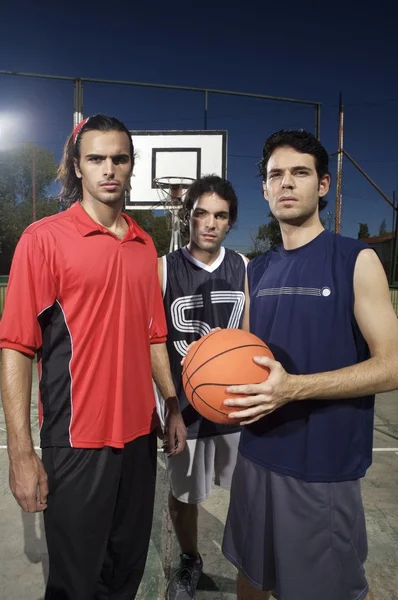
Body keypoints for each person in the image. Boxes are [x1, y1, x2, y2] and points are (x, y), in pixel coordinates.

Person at [0, 114, 186, 600]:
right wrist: (21, 452)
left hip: (141, 439)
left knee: (125, 573)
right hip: (77, 440)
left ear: (131, 167)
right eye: (96, 158)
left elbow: (153, 336)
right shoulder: (43, 240)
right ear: (77, 167)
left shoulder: (145, 246)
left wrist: (171, 404)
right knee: (76, 585)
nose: (109, 169)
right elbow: (17, 347)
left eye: (119, 159)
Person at [221, 129, 398, 600]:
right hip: (256, 455)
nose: (286, 183)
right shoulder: (254, 270)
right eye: (275, 175)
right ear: (263, 188)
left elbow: (393, 366)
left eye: (300, 173)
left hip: (321, 466)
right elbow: (247, 359)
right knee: (252, 580)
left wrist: (293, 387)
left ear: (322, 185)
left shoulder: (355, 259)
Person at [156, 175, 249, 600]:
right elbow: (153, 341)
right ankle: (191, 558)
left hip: (232, 406)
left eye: (220, 215)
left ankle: (252, 562)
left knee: (247, 491)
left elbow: (249, 337)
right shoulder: (162, 267)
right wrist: (168, 404)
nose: (210, 224)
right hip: (183, 408)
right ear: (188, 217)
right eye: (201, 214)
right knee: (184, 494)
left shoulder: (244, 266)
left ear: (230, 222)